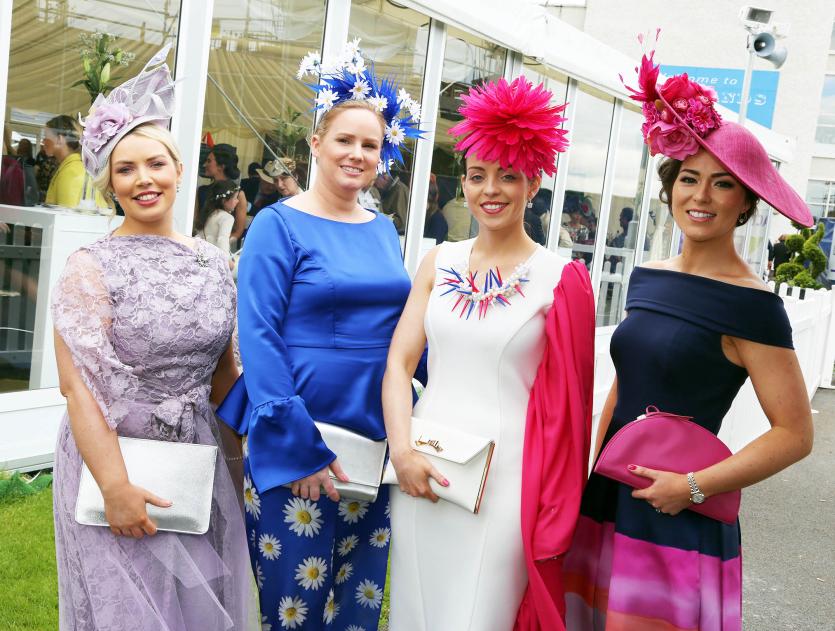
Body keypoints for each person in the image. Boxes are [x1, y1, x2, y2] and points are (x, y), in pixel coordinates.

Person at [562, 40, 814, 631]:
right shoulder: (647, 279)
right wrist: (587, 475)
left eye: (722, 184)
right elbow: (624, 388)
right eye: (689, 179)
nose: (701, 197)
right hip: (609, 499)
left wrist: (694, 488)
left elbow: (796, 434)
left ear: (747, 201)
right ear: (670, 187)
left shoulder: (752, 306)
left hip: (677, 511)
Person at [217, 40, 423, 631]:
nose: (358, 153)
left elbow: (404, 327)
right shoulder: (276, 227)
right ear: (316, 144)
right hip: (297, 438)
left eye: (370, 144)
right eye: (345, 140)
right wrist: (297, 444)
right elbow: (257, 336)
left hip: (374, 433)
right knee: (295, 608)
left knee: (358, 601)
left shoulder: (385, 229)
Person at [50, 47, 257, 630]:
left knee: (196, 606)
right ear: (109, 183)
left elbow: (225, 378)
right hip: (113, 456)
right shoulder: (89, 267)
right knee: (129, 609)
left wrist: (238, 470)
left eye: (155, 163)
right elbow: (78, 389)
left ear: (179, 169)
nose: (143, 179)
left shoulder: (217, 264)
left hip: (198, 458)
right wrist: (114, 487)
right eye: (125, 169)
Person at [383, 76, 594, 631]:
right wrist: (401, 451)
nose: (490, 190)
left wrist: (556, 506)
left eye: (509, 175)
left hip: (507, 483)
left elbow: (571, 408)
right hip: (421, 464)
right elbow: (400, 365)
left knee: (479, 615)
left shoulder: (561, 280)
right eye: (477, 176)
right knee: (415, 609)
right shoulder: (438, 260)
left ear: (534, 183)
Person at [42, 115, 106, 209]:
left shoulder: (72, 172)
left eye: (46, 136)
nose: (43, 141)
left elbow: (68, 219)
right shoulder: (73, 167)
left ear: (59, 139)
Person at [197, 143, 248, 240]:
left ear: (221, 166)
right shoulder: (201, 191)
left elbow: (238, 231)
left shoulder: (238, 194)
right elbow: (195, 222)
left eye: (209, 161)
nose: (204, 165)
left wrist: (220, 246)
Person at [194, 180, 238, 255]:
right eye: (235, 198)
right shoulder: (227, 218)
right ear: (224, 200)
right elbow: (222, 240)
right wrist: (226, 260)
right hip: (215, 258)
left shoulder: (208, 213)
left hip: (201, 254)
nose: (238, 201)